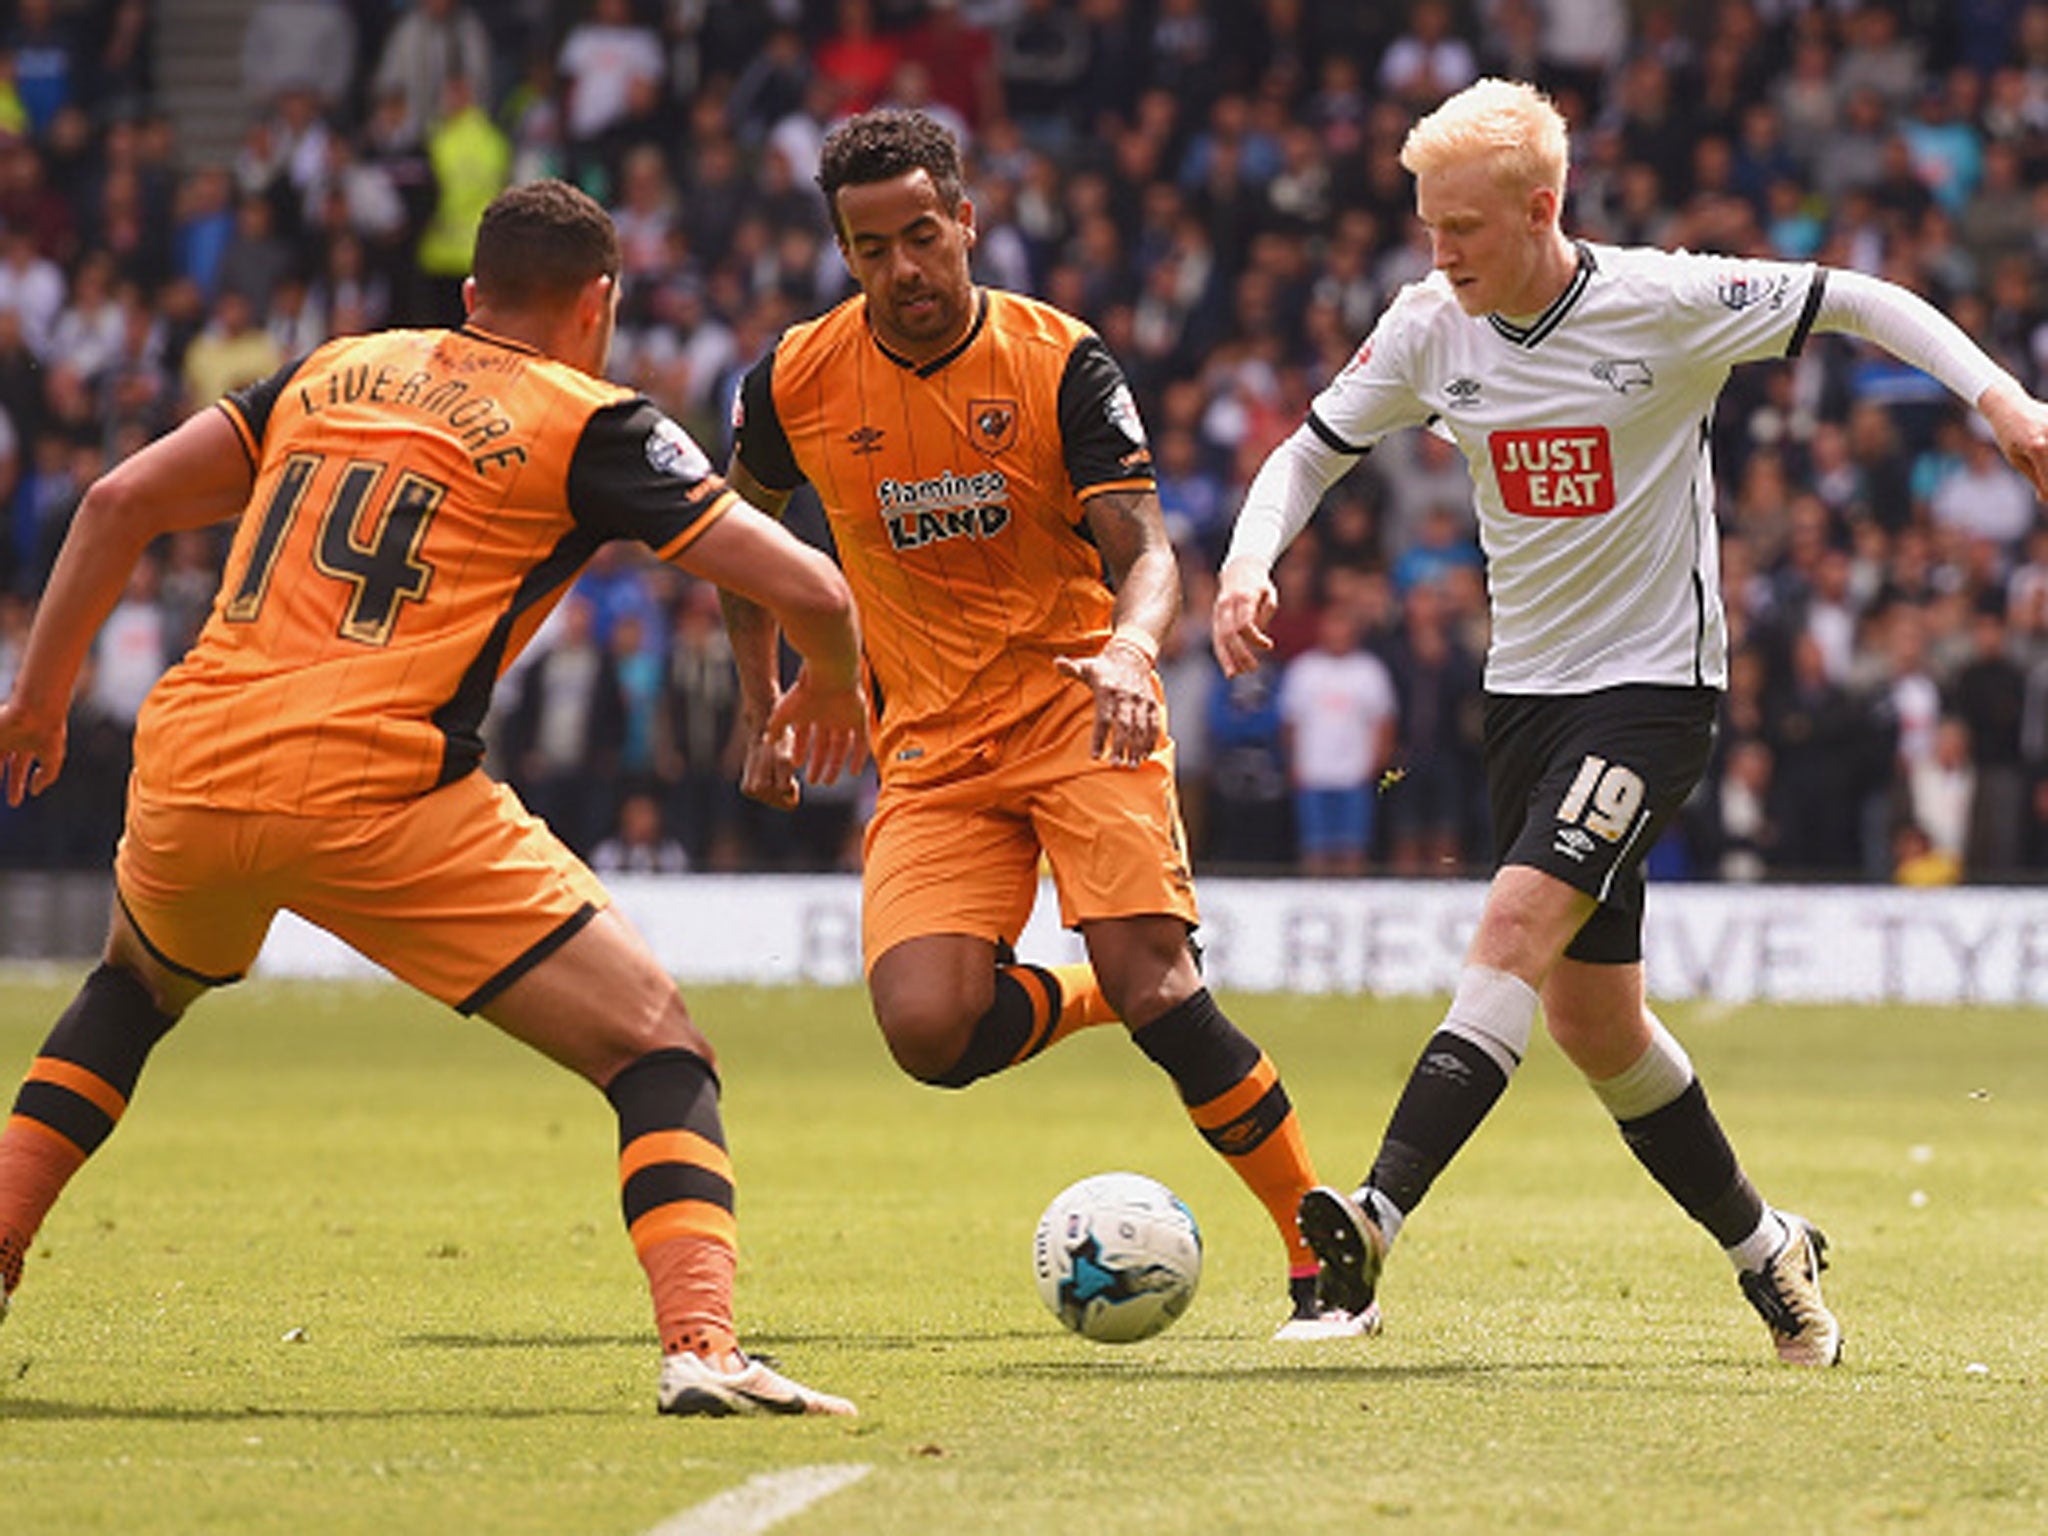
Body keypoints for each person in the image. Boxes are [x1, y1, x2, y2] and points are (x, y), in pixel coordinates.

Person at [1212, 78, 2048, 1367]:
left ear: (1540, 209)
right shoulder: (1433, 324)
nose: (1435, 255)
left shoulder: (1664, 300)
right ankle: (1768, 1250)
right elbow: (1309, 450)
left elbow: (1860, 300)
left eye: (1461, 231)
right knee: (1591, 1025)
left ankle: (1367, 1225)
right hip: (1526, 699)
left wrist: (1999, 400)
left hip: (1654, 691)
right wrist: (1246, 559)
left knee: (1507, 926)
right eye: (1426, 227)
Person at [0, 180, 870, 1417]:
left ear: (470, 298)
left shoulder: (333, 368)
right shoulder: (591, 419)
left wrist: (38, 702)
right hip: (380, 785)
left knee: (132, 991)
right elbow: (815, 591)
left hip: (193, 757)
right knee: (656, 1045)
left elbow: (115, 502)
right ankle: (701, 1346)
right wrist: (821, 685)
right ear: (598, 307)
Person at [723, 108, 1363, 1341]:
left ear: (965, 222)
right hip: (930, 745)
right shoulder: (792, 379)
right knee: (926, 1031)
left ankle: (1317, 1259)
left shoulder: (1058, 360)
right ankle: (1086, 993)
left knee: (1162, 988)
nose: (903, 268)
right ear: (843, 257)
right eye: (871, 250)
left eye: (922, 235)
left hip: (1083, 709)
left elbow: (1146, 554)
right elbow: (736, 544)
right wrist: (769, 706)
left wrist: (1130, 647)